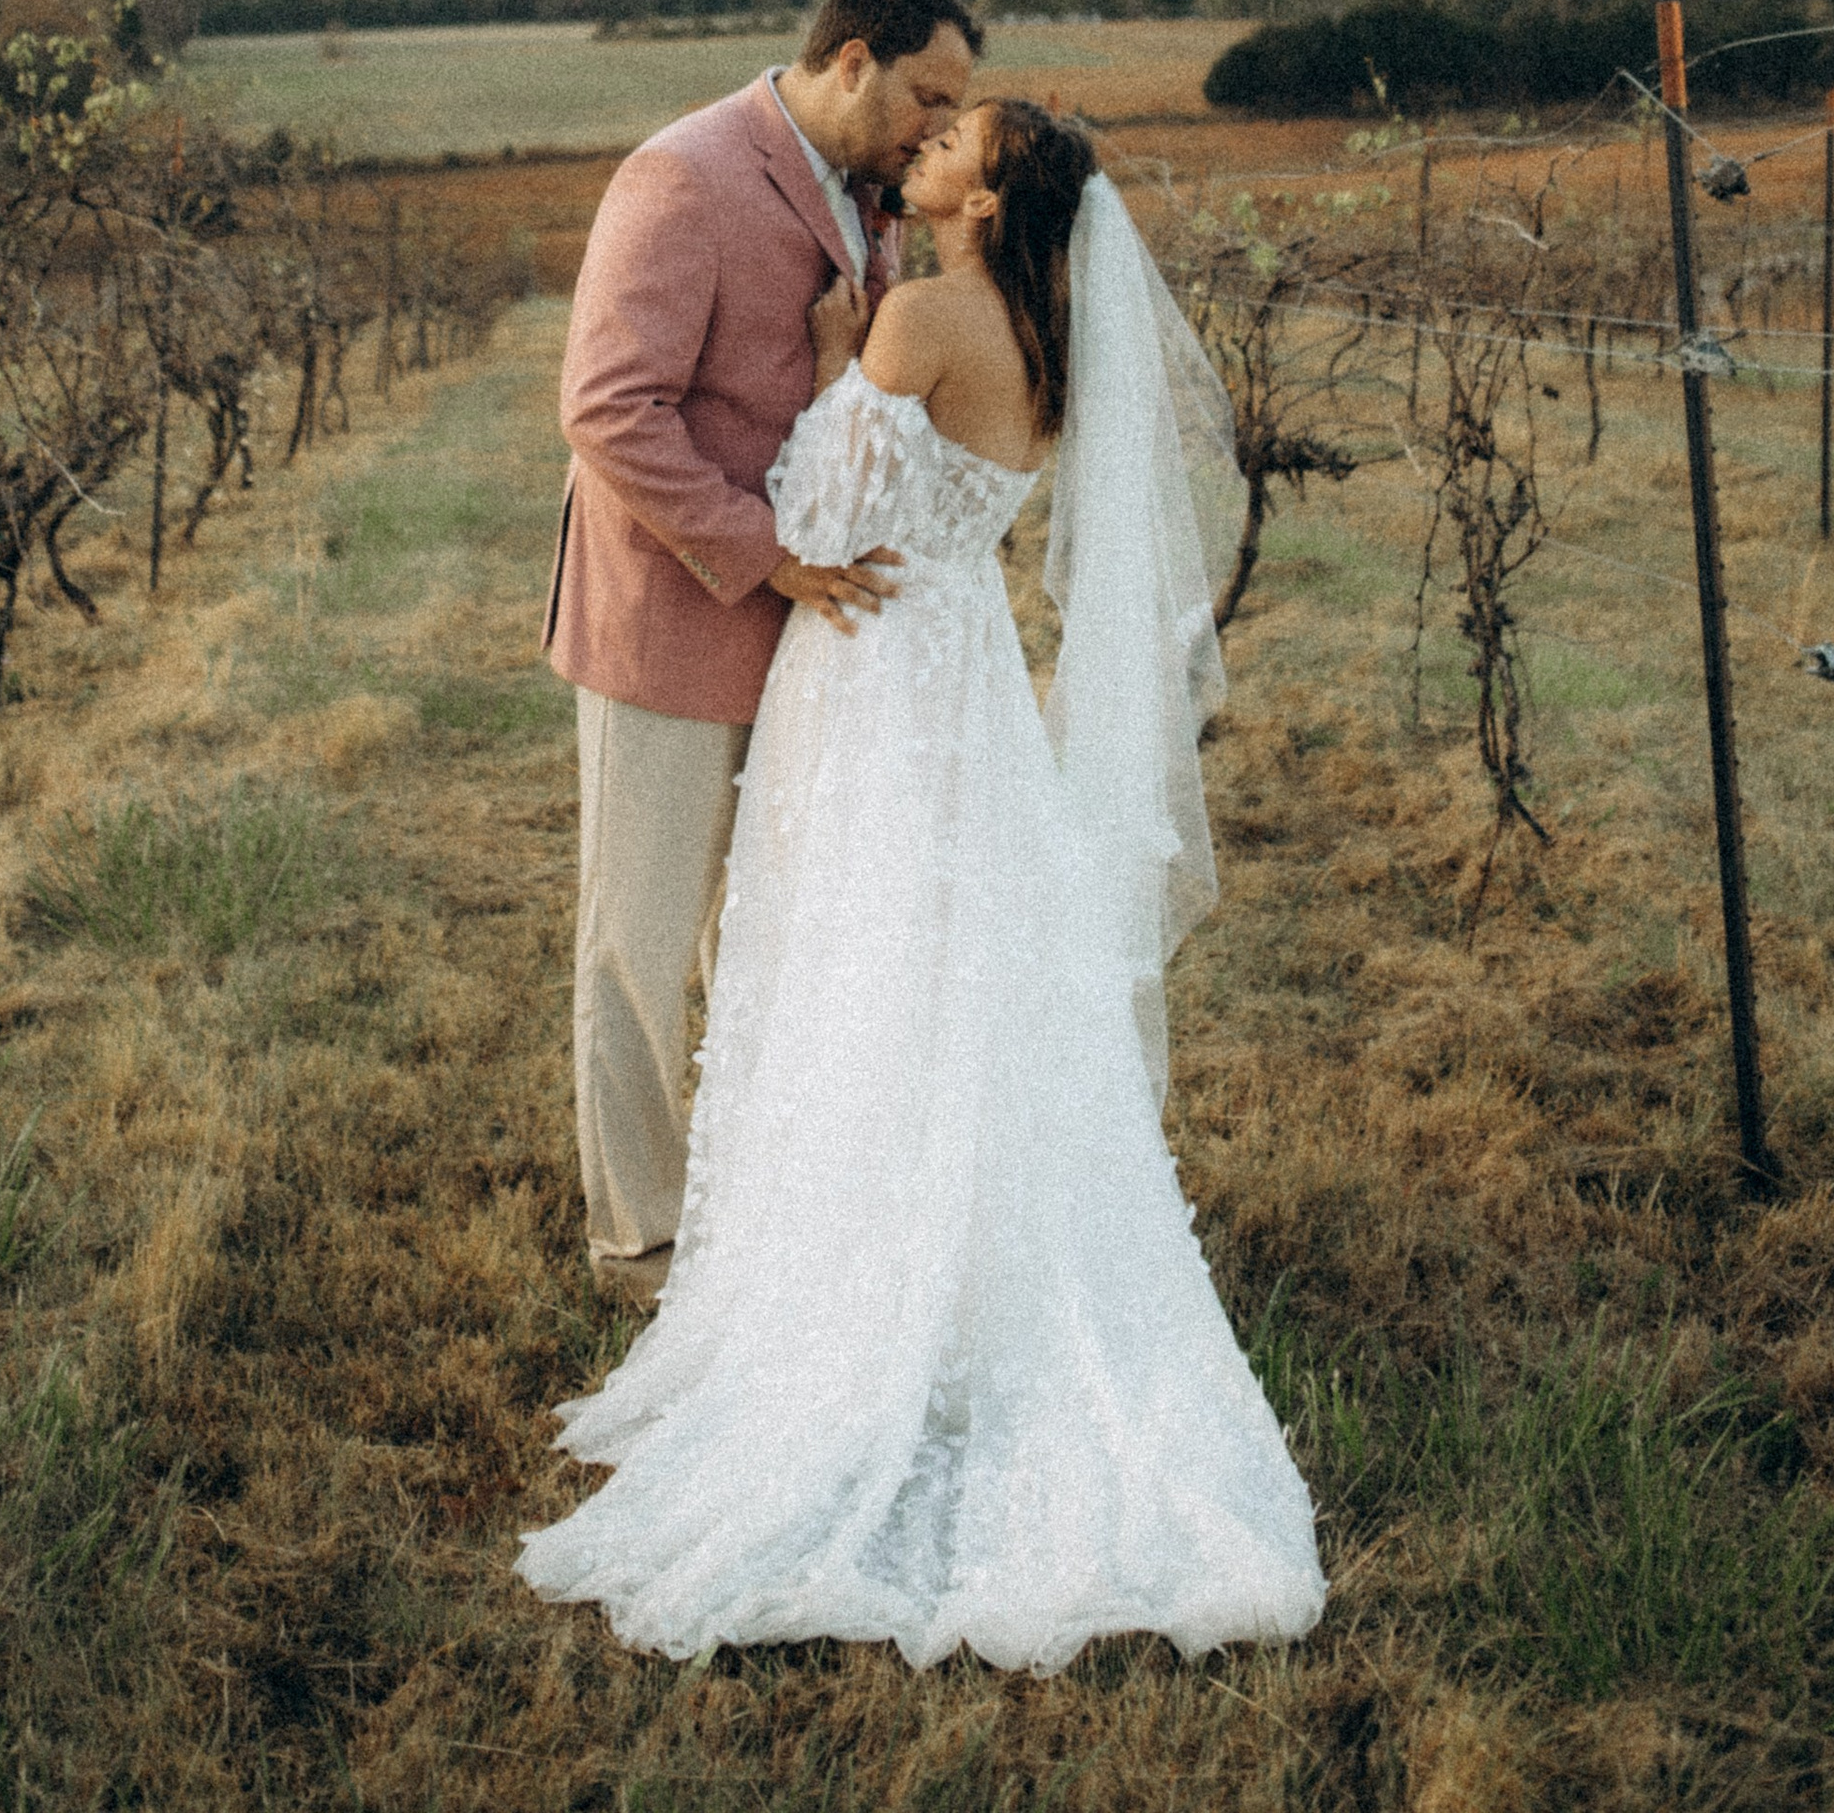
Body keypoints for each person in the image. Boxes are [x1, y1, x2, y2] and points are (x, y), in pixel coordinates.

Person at [518, 101, 1327, 1669]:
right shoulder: (1043, 332)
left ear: (991, 189)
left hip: (874, 678)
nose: (934, 141)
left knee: (860, 960)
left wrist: (833, 361)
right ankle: (960, 1252)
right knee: (962, 962)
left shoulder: (929, 317)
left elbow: (825, 520)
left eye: (958, 135)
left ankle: (853, 1278)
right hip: (964, 672)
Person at [546, 0, 982, 1300]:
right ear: (851, 61)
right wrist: (767, 557)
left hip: (806, 646)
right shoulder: (683, 178)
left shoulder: (875, 203)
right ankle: (640, 1237)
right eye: (927, 97)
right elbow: (611, 411)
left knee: (766, 935)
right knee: (640, 939)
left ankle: (753, 1204)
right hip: (670, 623)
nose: (937, 130)